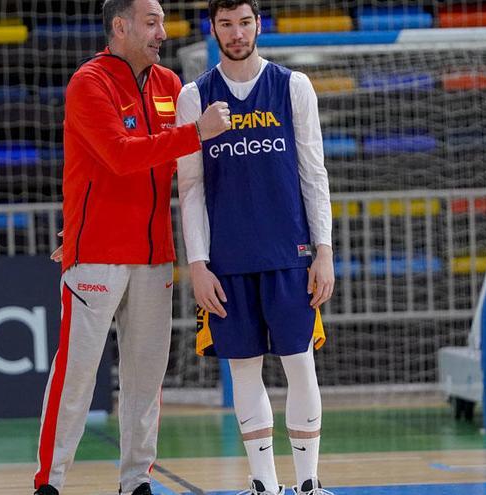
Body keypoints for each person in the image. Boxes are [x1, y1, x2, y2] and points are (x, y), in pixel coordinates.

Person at [33, 0, 231, 493]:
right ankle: (49, 483)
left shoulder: (169, 85)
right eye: (152, 22)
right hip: (96, 253)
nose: (162, 31)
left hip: (154, 256)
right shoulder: (89, 83)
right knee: (76, 378)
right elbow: (120, 158)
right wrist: (193, 134)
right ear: (120, 27)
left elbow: (180, 169)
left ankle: (136, 480)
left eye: (162, 21)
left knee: (146, 380)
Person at [176, 1, 335, 494]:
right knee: (243, 371)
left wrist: (324, 250)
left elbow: (313, 172)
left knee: (299, 362)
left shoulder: (293, 87)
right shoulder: (194, 96)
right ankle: (263, 484)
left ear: (258, 25)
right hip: (227, 262)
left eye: (245, 22)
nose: (237, 33)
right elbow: (190, 188)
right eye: (226, 24)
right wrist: (198, 265)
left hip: (290, 255)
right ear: (213, 29)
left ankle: (308, 482)